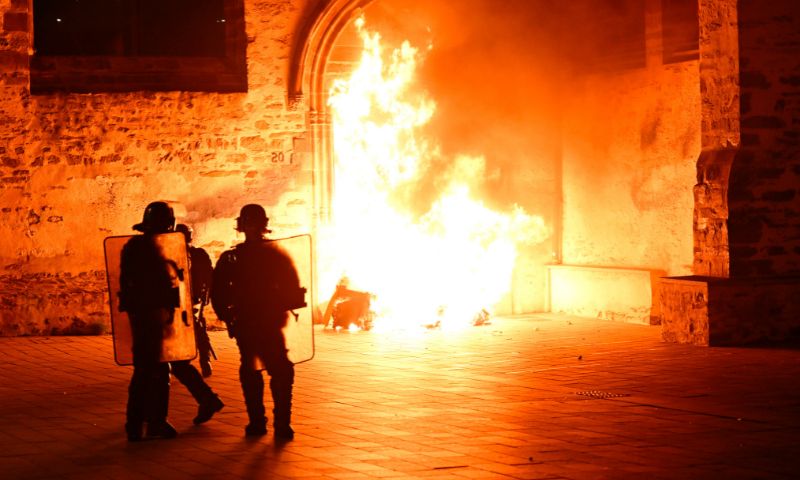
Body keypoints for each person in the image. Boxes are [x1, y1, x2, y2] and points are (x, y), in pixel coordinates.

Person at [211, 204, 304, 440]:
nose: (252, 228)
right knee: (266, 370)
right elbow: (219, 293)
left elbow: (291, 288)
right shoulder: (253, 256)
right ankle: (265, 423)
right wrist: (228, 317)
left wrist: (228, 317)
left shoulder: (241, 257)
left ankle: (271, 423)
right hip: (252, 321)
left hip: (265, 321)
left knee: (272, 370)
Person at [118, 201, 180, 441]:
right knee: (156, 369)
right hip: (152, 315)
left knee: (144, 370)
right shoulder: (155, 250)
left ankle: (135, 423)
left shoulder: (133, 247)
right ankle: (154, 421)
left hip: (142, 315)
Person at [175, 223, 215, 378]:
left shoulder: (198, 254)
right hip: (177, 298)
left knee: (198, 328)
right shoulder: (170, 254)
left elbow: (209, 276)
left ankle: (205, 359)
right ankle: (181, 360)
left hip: (194, 298)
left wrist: (206, 295)